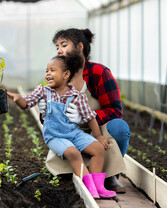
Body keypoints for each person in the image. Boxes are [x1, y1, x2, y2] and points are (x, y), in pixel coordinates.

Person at [7, 53, 116, 199]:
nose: (48, 74)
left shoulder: (77, 96)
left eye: (52, 70)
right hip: (54, 136)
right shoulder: (43, 91)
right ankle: (89, 186)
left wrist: (98, 136)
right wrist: (18, 98)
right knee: (73, 153)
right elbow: (27, 103)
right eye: (47, 71)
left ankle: (98, 186)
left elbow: (90, 117)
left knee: (97, 148)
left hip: (74, 133)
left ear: (65, 74)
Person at [38, 28, 130, 193]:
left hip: (97, 129)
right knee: (67, 170)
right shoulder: (59, 75)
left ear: (80, 47)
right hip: (69, 133)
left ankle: (110, 175)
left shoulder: (98, 73)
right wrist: (43, 112)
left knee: (119, 127)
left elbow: (115, 110)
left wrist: (86, 117)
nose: (59, 50)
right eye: (57, 47)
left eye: (63, 45)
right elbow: (51, 121)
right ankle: (73, 173)